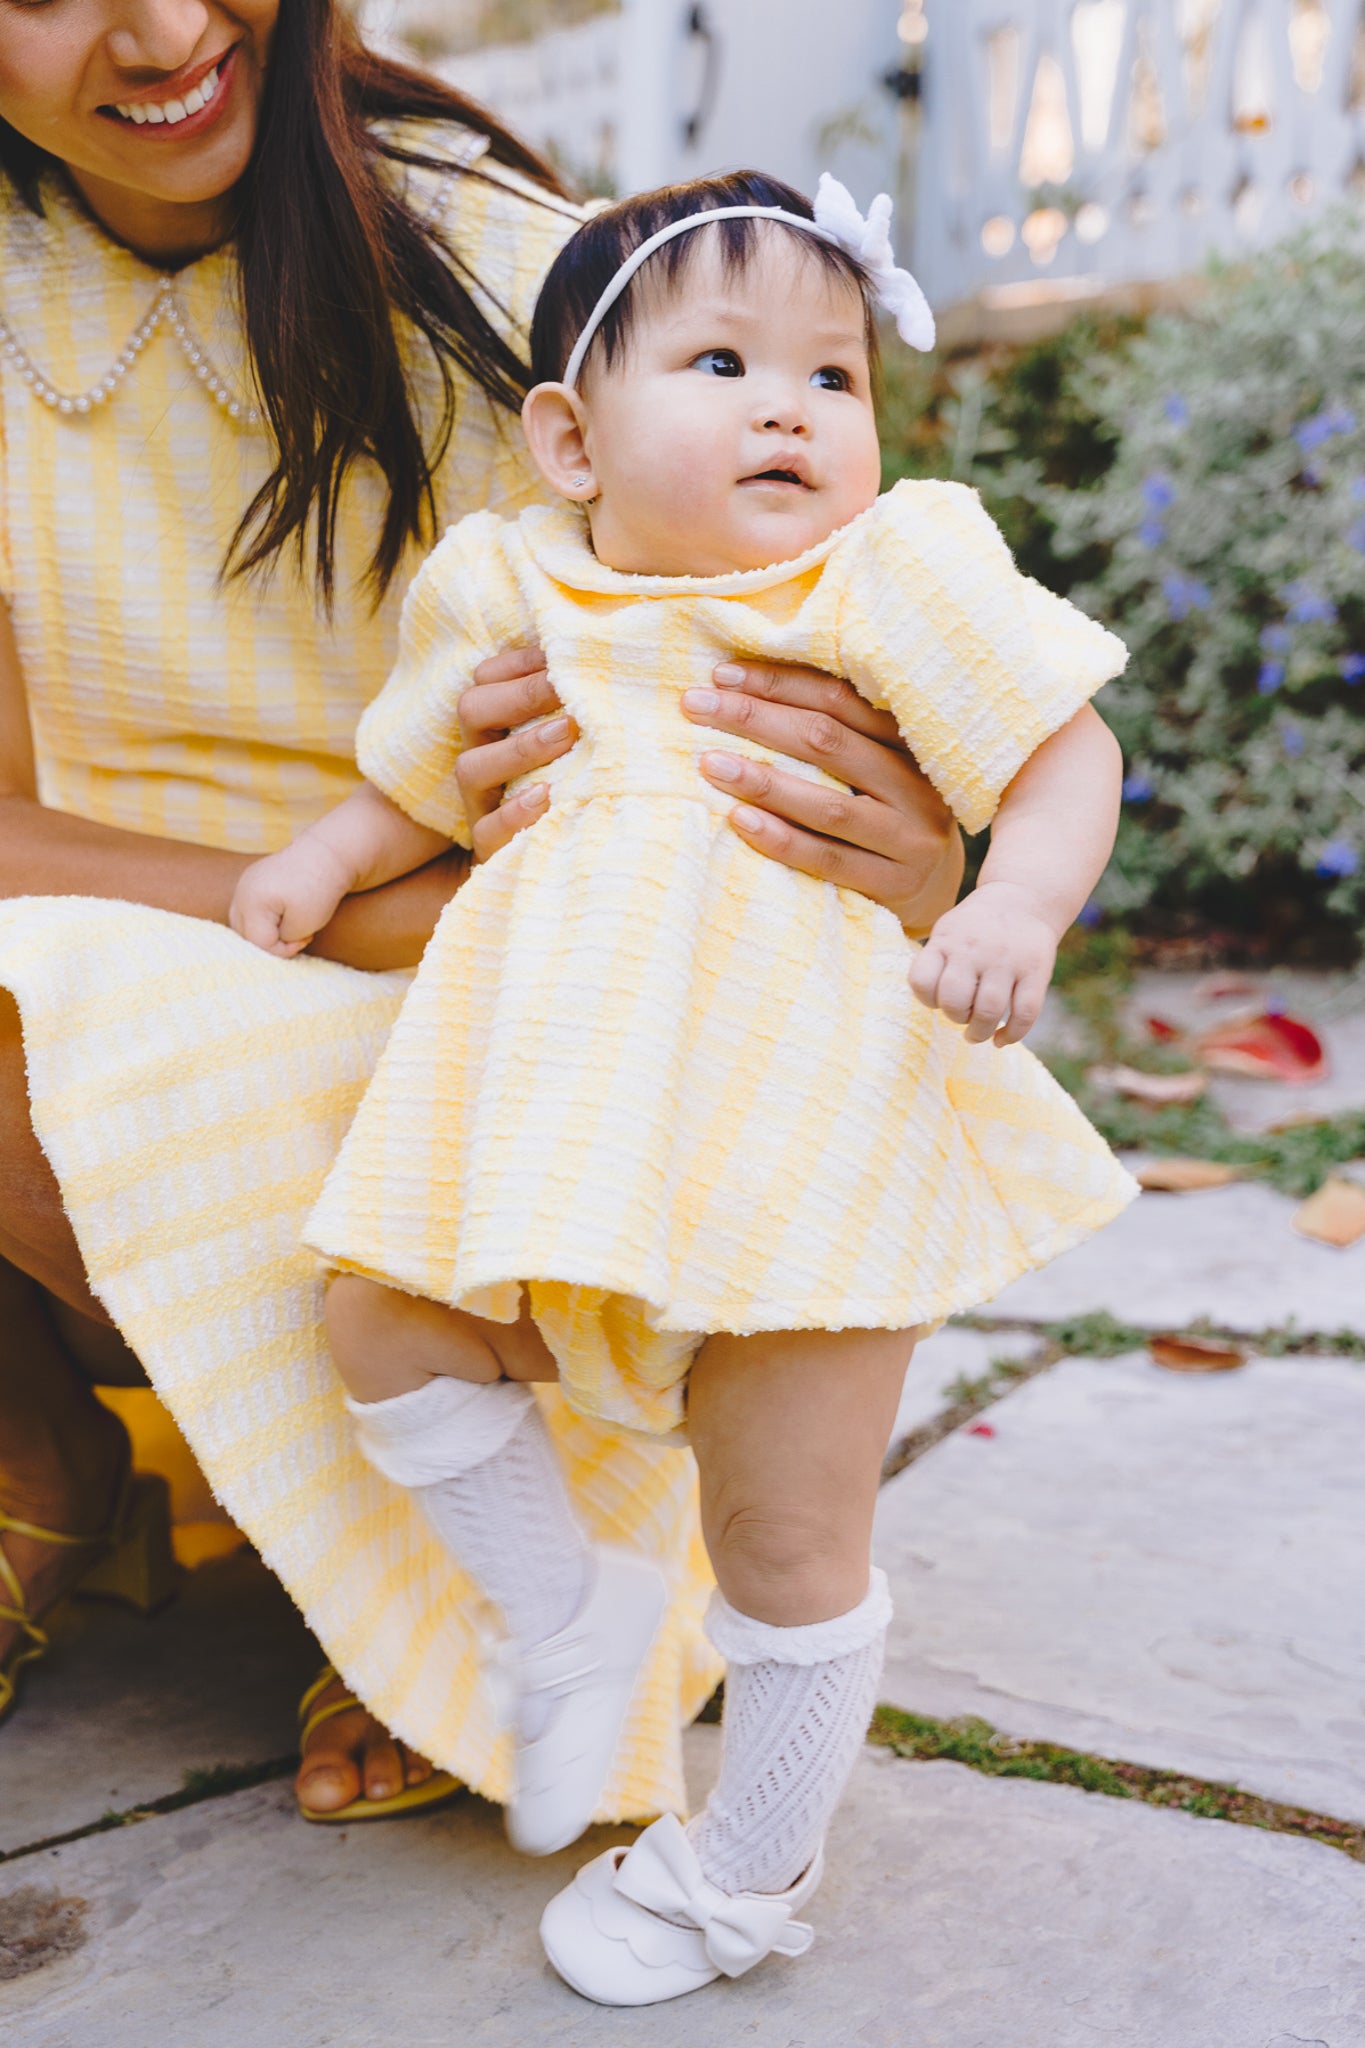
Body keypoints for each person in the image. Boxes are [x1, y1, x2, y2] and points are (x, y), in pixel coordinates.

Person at [0, 3, 966, 1824]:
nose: (158, 29)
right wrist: (330, 900)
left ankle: (429, 1586)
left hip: (502, 961)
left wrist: (914, 841)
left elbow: (807, 641)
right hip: (264, 911)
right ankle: (46, 1457)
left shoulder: (511, 269)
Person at [229, 170, 1137, 2003]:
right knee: (380, 1321)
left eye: (832, 374)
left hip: (805, 1133)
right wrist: (321, 866)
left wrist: (1018, 903)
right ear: (567, 436)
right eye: (722, 360)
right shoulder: (509, 585)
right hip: (563, 1125)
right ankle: (570, 1618)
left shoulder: (881, 576)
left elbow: (1062, 748)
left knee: (787, 1531)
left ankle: (750, 1862)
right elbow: (413, 772)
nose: (792, 407)